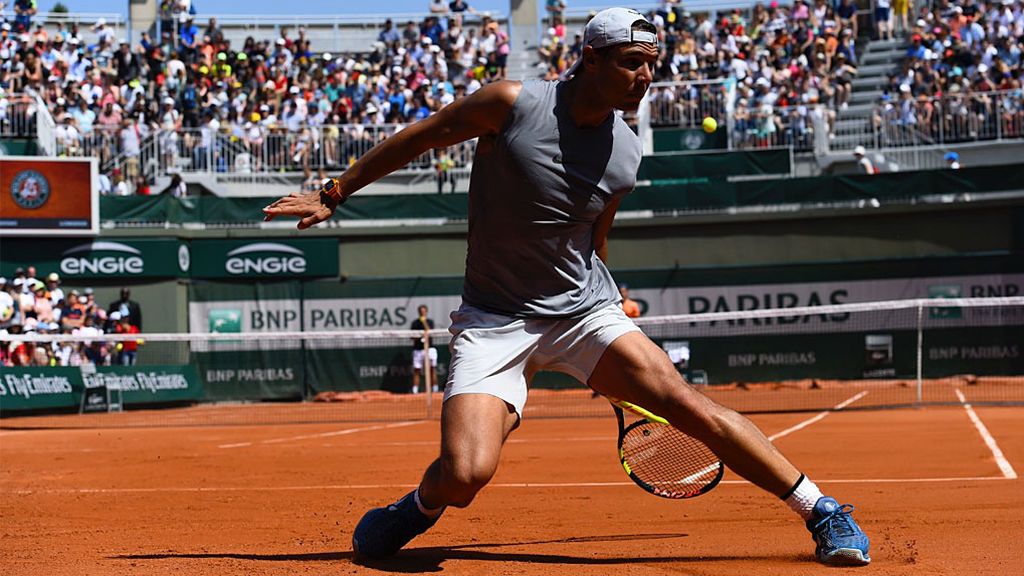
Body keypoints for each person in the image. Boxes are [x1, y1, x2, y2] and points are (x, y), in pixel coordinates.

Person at [263, 7, 870, 567]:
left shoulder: (626, 153)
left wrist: (612, 316)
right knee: (466, 475)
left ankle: (823, 512)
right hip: (495, 319)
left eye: (653, 64)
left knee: (688, 404)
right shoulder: (510, 103)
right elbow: (422, 136)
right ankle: (418, 506)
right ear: (591, 59)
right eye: (633, 62)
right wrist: (334, 193)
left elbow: (592, 235)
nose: (645, 76)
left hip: (584, 313)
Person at [409, 304, 438, 394]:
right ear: (418, 312)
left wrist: (424, 322)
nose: (422, 313)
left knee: (432, 369)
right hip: (418, 350)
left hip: (429, 349)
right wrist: (419, 336)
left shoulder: (430, 322)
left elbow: (430, 332)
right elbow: (412, 337)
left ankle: (435, 390)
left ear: (426, 312)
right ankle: (415, 391)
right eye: (420, 311)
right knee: (416, 371)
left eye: (423, 311)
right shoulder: (415, 323)